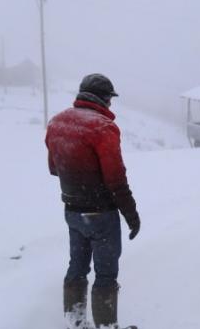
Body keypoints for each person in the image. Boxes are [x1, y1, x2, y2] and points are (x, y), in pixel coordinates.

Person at [45, 73, 140, 329]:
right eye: (110, 99)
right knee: (106, 274)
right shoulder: (103, 128)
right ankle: (106, 326)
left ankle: (75, 323)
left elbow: (54, 168)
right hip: (101, 214)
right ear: (105, 98)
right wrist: (131, 214)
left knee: (76, 267)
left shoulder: (56, 123)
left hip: (73, 212)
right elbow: (115, 179)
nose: (111, 105)